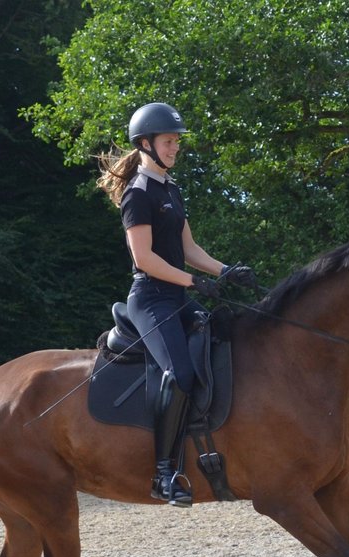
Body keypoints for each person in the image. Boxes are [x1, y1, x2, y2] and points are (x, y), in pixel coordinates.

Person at [97, 102, 257, 507]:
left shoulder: (171, 188)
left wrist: (225, 271)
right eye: (169, 142)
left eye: (177, 142)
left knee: (222, 340)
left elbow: (188, 248)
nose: (175, 148)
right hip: (150, 299)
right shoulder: (138, 193)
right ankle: (164, 473)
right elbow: (144, 258)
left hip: (176, 295)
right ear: (146, 144)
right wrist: (194, 281)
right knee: (179, 373)